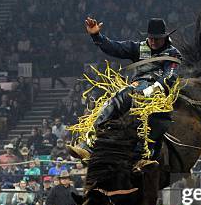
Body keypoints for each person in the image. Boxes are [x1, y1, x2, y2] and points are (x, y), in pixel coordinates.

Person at [69, 17, 181, 166]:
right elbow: (114, 47)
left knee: (157, 119)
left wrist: (151, 91)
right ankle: (88, 145)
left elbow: (170, 75)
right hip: (137, 86)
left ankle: (144, 156)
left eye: (157, 39)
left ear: (164, 37)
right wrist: (96, 35)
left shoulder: (172, 53)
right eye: (151, 38)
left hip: (160, 93)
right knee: (113, 103)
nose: (153, 41)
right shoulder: (139, 47)